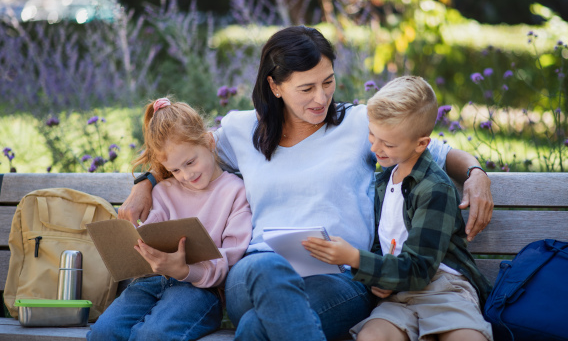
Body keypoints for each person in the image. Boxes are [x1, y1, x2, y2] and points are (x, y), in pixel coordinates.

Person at [118, 26, 493, 340]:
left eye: (327, 82)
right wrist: (145, 182)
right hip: (253, 274)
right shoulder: (240, 129)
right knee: (266, 270)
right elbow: (183, 152)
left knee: (254, 328)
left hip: (338, 278)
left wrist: (476, 174)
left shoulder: (359, 124)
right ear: (276, 86)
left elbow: (439, 152)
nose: (321, 97)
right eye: (306, 88)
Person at [303, 76, 493, 341]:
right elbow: (385, 243)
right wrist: (377, 279)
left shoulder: (434, 189)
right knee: (371, 336)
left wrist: (355, 258)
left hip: (443, 289)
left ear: (421, 144)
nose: (375, 148)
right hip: (397, 295)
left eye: (388, 144)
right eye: (372, 134)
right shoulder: (384, 181)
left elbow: (419, 269)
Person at [87, 98, 252, 341]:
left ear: (209, 142)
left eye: (190, 162)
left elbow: (229, 260)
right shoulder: (163, 191)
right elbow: (151, 236)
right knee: (103, 332)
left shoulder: (235, 192)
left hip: (198, 289)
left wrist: (184, 269)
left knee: (152, 335)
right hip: (150, 283)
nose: (186, 175)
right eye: (175, 170)